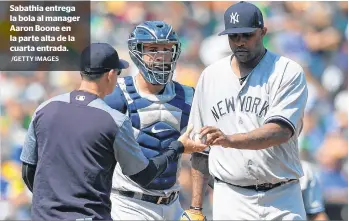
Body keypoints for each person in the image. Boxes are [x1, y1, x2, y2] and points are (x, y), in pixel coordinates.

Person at [19, 43, 207, 220]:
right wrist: (177, 147)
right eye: (118, 73)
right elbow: (144, 175)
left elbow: (28, 170)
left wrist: (51, 204)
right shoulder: (114, 120)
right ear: (110, 74)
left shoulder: (44, 109)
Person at [183, 1, 308, 220]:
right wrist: (195, 207)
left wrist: (230, 140)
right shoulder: (210, 76)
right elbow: (200, 148)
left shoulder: (286, 71)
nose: (240, 42)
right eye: (234, 36)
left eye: (246, 35)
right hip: (231, 196)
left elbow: (279, 131)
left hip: (282, 196)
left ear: (263, 32)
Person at [104, 21, 195, 220]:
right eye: (152, 49)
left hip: (172, 203)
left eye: (166, 49)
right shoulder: (117, 95)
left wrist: (196, 205)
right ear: (137, 52)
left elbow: (202, 153)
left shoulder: (188, 96)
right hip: (128, 204)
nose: (161, 56)